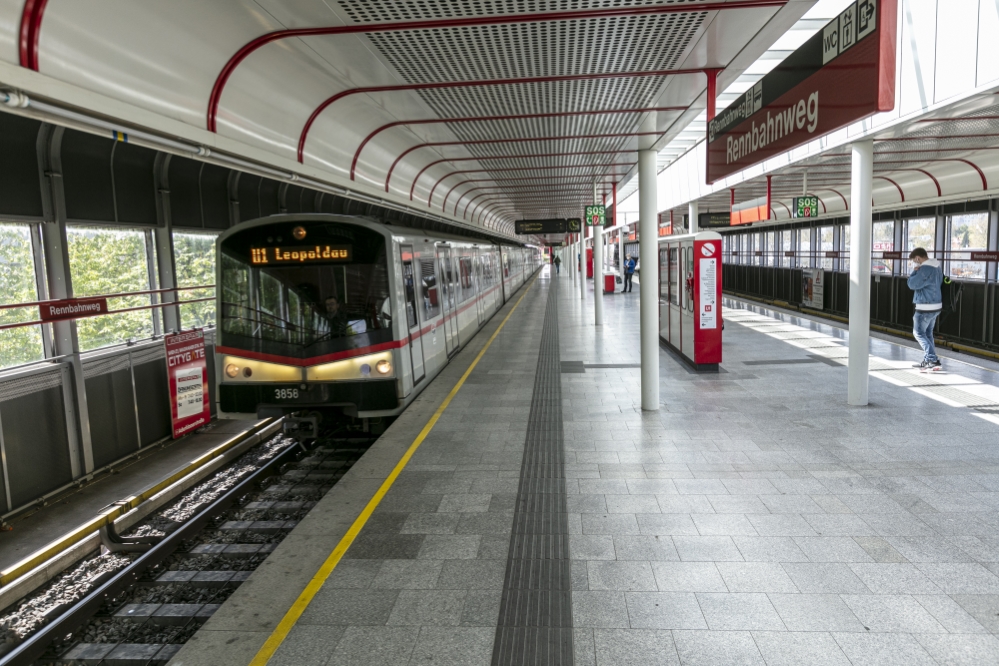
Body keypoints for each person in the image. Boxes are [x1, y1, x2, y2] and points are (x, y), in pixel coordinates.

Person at [907, 247, 943, 372]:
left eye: (914, 261)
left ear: (918, 258)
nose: (914, 263)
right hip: (936, 305)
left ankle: (932, 359)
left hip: (925, 306)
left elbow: (912, 284)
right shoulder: (937, 267)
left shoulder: (925, 269)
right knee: (928, 334)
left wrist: (914, 271)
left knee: (918, 333)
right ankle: (928, 360)